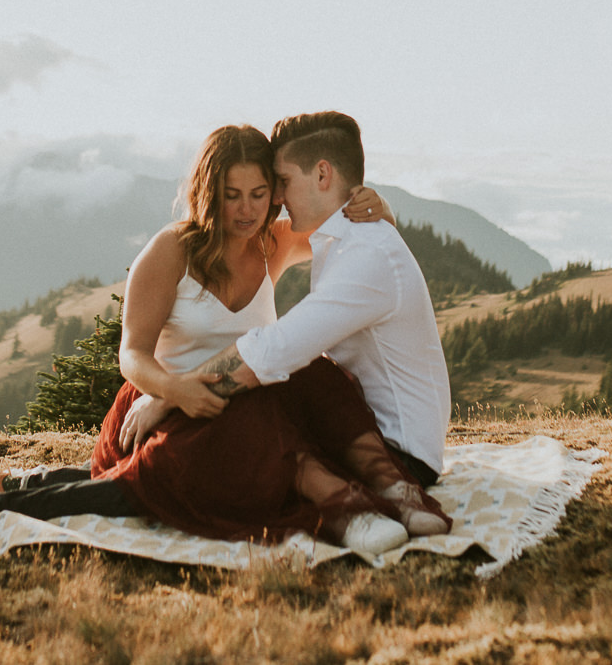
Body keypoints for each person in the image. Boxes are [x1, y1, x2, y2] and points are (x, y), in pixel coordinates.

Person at [0, 122, 446, 552]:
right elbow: (132, 354)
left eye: (260, 194)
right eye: (233, 195)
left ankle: (5, 481)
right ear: (210, 191)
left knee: (290, 401)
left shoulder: (274, 242)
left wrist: (380, 207)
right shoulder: (170, 250)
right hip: (165, 398)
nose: (248, 210)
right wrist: (170, 392)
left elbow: (341, 237)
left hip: (245, 401)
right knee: (167, 471)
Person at [175, 111, 452, 490]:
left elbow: (275, 349)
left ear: (323, 175)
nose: (276, 197)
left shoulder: (365, 255)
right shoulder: (342, 241)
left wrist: (169, 396)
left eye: (283, 181)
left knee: (238, 444)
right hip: (359, 432)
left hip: (395, 456)